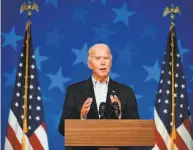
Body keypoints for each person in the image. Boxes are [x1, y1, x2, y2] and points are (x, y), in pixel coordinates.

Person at [59, 43, 139, 150]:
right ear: (89, 64)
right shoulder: (74, 91)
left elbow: (136, 131)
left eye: (106, 58)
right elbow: (63, 129)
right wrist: (82, 116)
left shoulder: (126, 92)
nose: (102, 62)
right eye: (97, 58)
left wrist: (119, 115)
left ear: (111, 62)